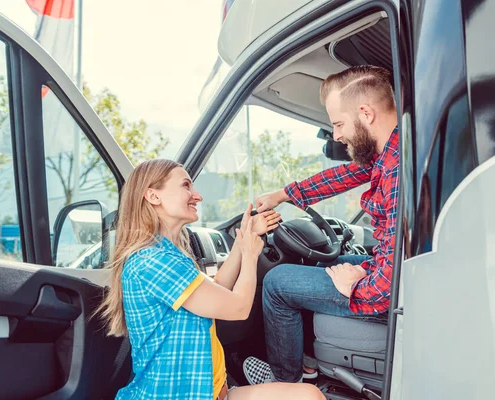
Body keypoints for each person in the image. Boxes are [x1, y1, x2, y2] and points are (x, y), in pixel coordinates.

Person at [95, 159, 325, 400]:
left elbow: (215, 291)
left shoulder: (169, 255)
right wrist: (249, 254)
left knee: (310, 395)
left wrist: (243, 239)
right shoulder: (153, 261)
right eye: (186, 185)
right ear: (153, 196)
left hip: (213, 392)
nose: (197, 196)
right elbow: (237, 307)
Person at [243, 65, 400, 385]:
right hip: (390, 270)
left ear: (366, 113)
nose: (337, 135)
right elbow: (342, 176)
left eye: (339, 124)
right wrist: (283, 195)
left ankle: (286, 383)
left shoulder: (397, 171)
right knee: (321, 262)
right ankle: (309, 363)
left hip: (393, 291)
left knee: (276, 282)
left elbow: (386, 292)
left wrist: (353, 286)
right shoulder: (393, 152)